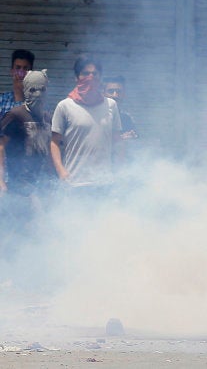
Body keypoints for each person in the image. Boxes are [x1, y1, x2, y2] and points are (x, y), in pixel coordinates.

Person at [50, 54, 122, 195]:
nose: (90, 78)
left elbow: (118, 141)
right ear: (76, 78)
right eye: (85, 73)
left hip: (104, 183)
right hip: (74, 183)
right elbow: (54, 142)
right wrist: (61, 171)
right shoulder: (64, 106)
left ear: (100, 78)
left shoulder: (111, 105)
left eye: (94, 74)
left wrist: (118, 170)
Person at [0, 70, 51, 253]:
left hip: (41, 186)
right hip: (18, 187)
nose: (38, 94)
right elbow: (1, 146)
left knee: (39, 237)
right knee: (16, 234)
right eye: (33, 89)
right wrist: (1, 181)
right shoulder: (15, 115)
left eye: (42, 89)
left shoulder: (47, 117)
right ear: (26, 89)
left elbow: (49, 149)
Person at [0, 49, 35, 120]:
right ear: (12, 71)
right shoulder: (2, 100)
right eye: (18, 68)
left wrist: (19, 95)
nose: (21, 73)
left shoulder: (36, 102)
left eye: (25, 68)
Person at [102, 75, 138, 140]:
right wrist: (118, 139)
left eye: (118, 91)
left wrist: (131, 138)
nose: (115, 95)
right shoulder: (96, 116)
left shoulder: (127, 119)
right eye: (111, 91)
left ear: (124, 94)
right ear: (103, 93)